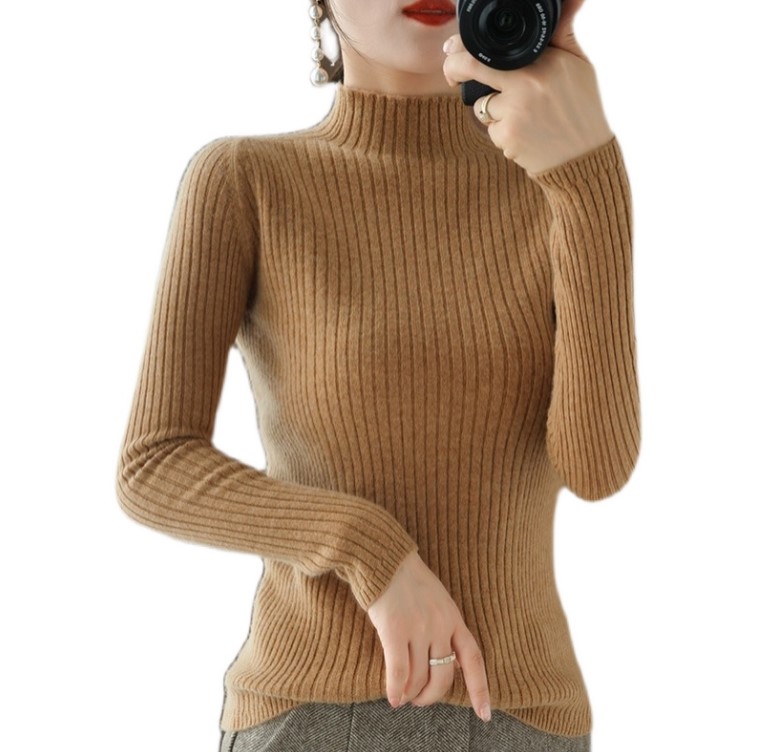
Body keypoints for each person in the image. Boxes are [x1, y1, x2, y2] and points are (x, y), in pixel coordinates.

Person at [115, 0, 641, 749]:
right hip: (316, 715)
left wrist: (589, 176)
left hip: (527, 717)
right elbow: (153, 464)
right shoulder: (245, 180)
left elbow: (596, 467)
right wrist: (366, 548)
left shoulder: (556, 185)